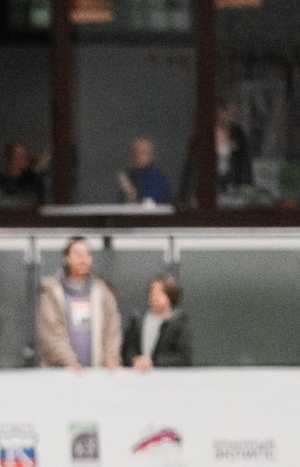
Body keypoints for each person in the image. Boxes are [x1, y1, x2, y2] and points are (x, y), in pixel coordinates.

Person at [37, 237, 122, 369]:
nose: (83, 259)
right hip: (61, 373)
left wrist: (111, 358)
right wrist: (69, 362)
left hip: (97, 373)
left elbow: (112, 329)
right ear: (67, 258)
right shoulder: (52, 291)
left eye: (87, 254)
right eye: (78, 254)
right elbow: (51, 333)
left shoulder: (102, 291)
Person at [121, 275, 191, 370]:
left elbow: (183, 358)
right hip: (137, 376)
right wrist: (135, 360)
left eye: (160, 293)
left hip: (166, 378)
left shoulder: (178, 323)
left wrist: (153, 362)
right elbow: (128, 350)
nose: (155, 297)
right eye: (153, 292)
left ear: (171, 295)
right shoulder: (138, 320)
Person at [118, 137, 171, 205]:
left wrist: (129, 190)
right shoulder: (131, 175)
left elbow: (148, 206)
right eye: (135, 151)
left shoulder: (154, 176)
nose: (138, 155)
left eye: (143, 152)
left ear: (151, 156)